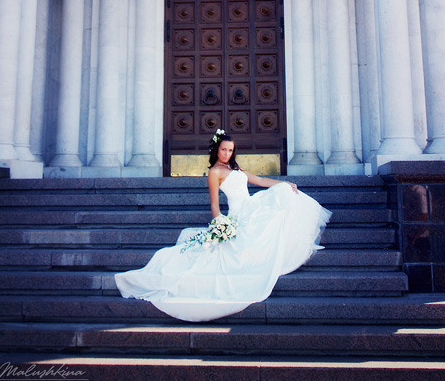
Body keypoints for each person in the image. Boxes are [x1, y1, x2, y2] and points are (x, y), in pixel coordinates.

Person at [114, 130, 331, 322]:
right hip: (237, 214)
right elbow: (214, 204)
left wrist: (284, 183)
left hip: (251, 206)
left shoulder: (234, 168)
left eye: (230, 150)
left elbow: (260, 181)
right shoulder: (214, 172)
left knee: (282, 195)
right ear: (217, 149)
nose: (227, 153)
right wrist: (220, 223)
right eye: (224, 149)